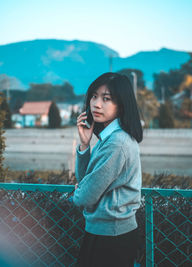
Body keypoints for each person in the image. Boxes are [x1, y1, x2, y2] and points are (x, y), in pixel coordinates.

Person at [73, 72, 143, 267]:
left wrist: (78, 192)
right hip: (105, 231)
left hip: (112, 237)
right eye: (94, 96)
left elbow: (84, 197)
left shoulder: (117, 143)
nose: (96, 104)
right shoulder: (109, 138)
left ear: (121, 104)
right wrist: (85, 145)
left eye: (106, 99)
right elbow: (87, 180)